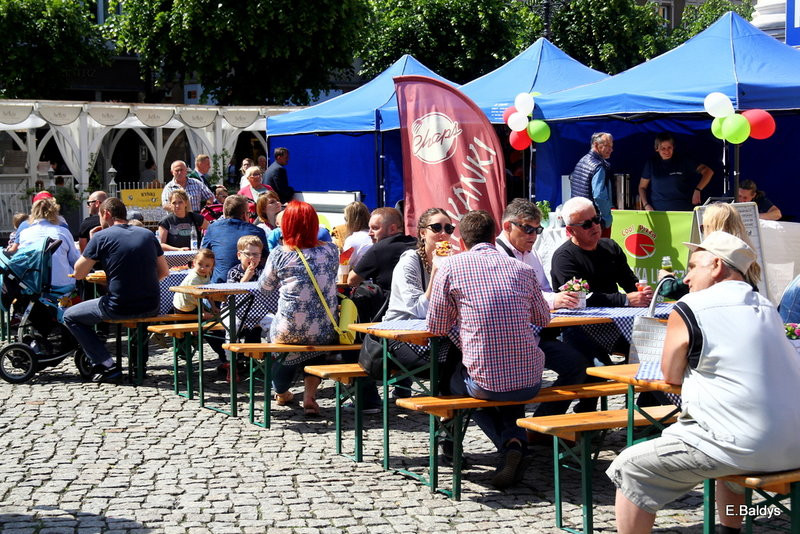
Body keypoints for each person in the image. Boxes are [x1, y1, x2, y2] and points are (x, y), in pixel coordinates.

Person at [607, 231, 800, 534]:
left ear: (717, 266)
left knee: (630, 466)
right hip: (794, 442)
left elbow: (670, 375)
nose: (686, 278)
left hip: (742, 445)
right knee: (729, 440)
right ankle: (729, 530)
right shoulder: (765, 306)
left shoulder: (691, 306)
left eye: (694, 267)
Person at [427, 209, 551, 489]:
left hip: (485, 383)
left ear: (462, 241)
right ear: (494, 237)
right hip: (530, 380)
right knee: (507, 384)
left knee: (456, 388)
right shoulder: (522, 269)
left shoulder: (451, 267)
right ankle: (515, 442)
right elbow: (543, 318)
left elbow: (436, 326)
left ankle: (509, 446)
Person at [495, 199, 592, 421]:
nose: (533, 235)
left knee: (579, 365)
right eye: (527, 229)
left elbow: (544, 289)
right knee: (521, 382)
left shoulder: (531, 253)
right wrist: (554, 300)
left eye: (537, 230)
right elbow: (514, 299)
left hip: (536, 336)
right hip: (508, 342)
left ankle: (541, 423)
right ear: (508, 226)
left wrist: (560, 297)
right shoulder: (496, 255)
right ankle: (515, 433)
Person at [65, 198, 169, 382]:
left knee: (70, 316)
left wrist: (93, 240)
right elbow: (164, 272)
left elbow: (79, 273)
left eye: (100, 216)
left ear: (106, 214)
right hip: (151, 305)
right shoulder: (147, 234)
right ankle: (133, 364)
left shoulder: (101, 237)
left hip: (119, 305)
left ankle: (106, 364)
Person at [257, 201, 339, 416]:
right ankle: (309, 396)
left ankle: (282, 392)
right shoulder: (331, 250)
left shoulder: (280, 254)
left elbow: (264, 288)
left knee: (281, 340)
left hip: (289, 329)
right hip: (325, 328)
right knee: (316, 343)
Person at [658, 202, 762, 300]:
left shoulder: (712, 256)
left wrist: (666, 278)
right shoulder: (745, 255)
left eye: (703, 227)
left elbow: (672, 290)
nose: (702, 232)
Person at [639, 132, 713, 212]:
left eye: (669, 147)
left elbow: (708, 171)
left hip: (683, 211)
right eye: (663, 148)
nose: (667, 151)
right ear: (656, 148)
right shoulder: (651, 164)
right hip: (658, 212)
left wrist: (698, 190)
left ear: (673, 147)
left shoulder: (683, 161)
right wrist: (646, 204)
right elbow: (642, 187)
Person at [201, 195, 267, 283]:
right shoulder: (257, 231)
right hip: (251, 284)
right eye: (249, 213)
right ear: (244, 215)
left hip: (219, 285)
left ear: (224, 214)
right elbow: (266, 260)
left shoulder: (212, 228)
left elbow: (204, 255)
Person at [347, 207, 416, 291]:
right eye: (369, 228)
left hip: (390, 298)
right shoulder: (415, 243)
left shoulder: (379, 249)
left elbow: (351, 280)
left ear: (392, 229)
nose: (369, 233)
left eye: (375, 228)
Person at [17, 198, 80, 289]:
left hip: (33, 285)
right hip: (61, 285)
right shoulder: (63, 232)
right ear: (54, 212)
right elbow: (74, 260)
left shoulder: (24, 233)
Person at [570, 132, 614, 237]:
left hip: (579, 219)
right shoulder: (599, 166)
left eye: (611, 146)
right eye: (607, 145)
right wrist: (607, 219)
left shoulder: (582, 161)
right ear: (596, 145)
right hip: (594, 222)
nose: (611, 149)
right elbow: (599, 196)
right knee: (600, 247)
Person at [172, 249, 216, 313]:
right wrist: (203, 312)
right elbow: (192, 297)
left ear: (212, 267)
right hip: (183, 306)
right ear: (194, 263)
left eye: (207, 266)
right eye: (200, 264)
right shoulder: (194, 278)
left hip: (193, 304)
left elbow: (208, 292)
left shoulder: (208, 274)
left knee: (212, 314)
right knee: (210, 316)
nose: (203, 268)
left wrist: (213, 307)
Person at [266, 211, 332, 252]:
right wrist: (272, 252)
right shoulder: (276, 232)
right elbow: (270, 243)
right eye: (284, 219)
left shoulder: (322, 232)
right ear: (277, 223)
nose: (288, 221)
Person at [340, 201, 372, 268]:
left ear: (350, 220)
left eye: (346, 219)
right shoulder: (375, 236)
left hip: (359, 274)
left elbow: (344, 266)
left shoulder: (352, 240)